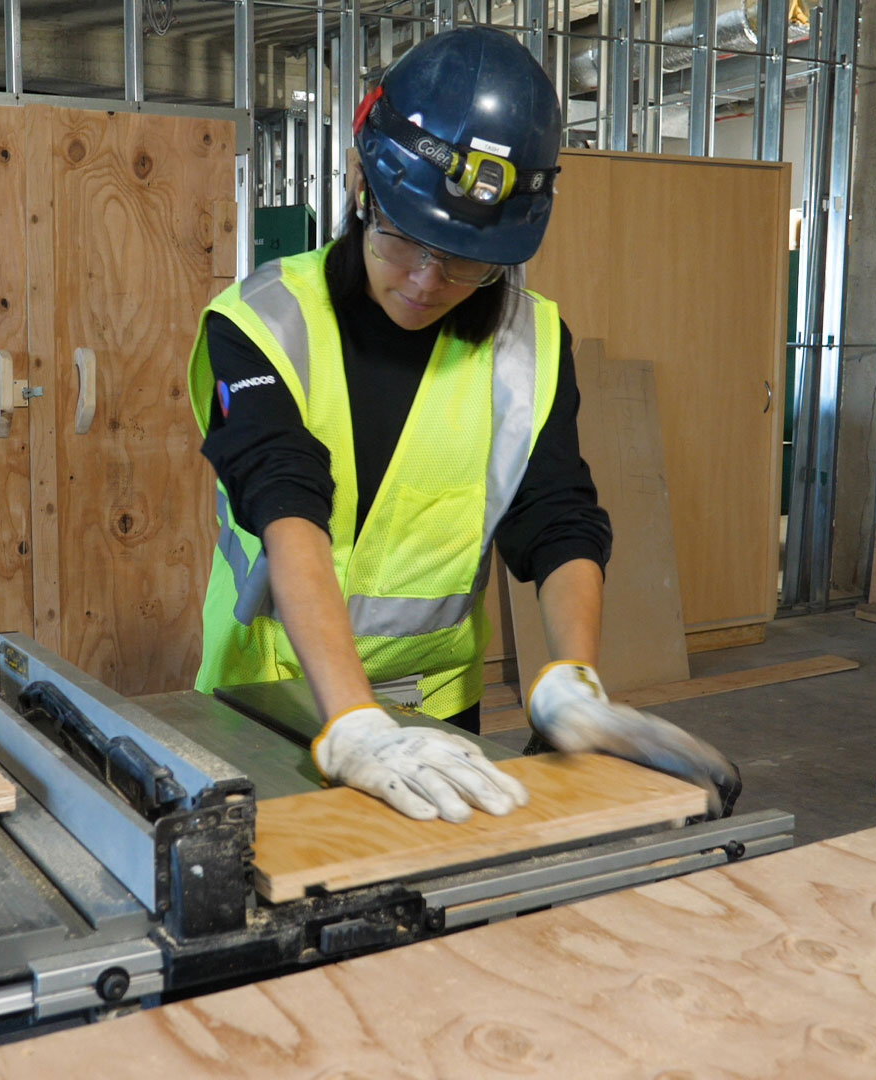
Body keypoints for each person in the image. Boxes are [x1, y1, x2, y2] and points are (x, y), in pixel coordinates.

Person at [188, 26, 741, 824]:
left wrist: (571, 682)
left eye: (466, 259)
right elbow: (285, 502)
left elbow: (557, 517)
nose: (426, 280)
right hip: (269, 704)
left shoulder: (532, 342)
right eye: (406, 238)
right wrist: (353, 728)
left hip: (437, 719)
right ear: (358, 182)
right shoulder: (262, 323)